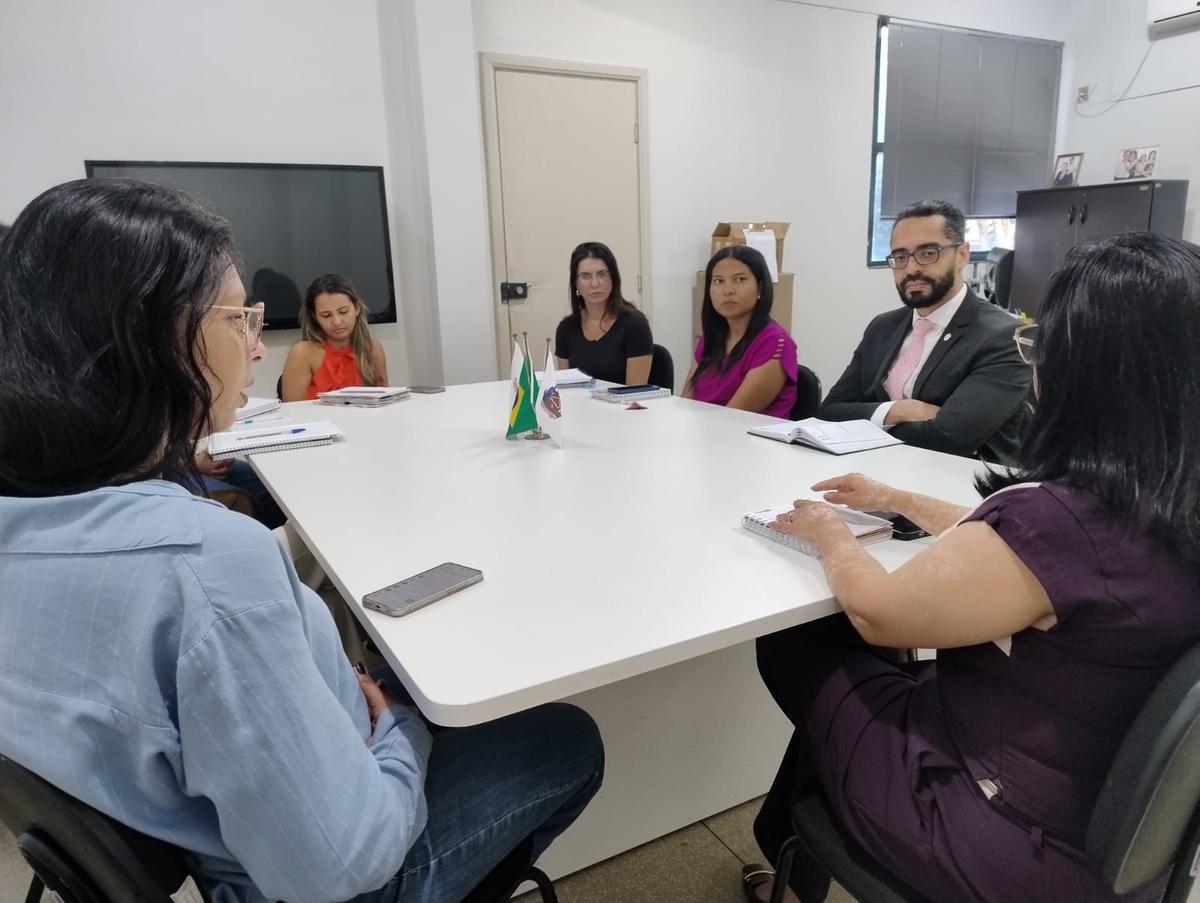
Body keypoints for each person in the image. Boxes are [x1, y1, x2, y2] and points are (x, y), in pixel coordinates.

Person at [0, 178, 604, 903]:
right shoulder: (208, 571)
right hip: (313, 877)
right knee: (567, 737)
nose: (256, 347)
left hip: (204, 834)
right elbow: (342, 864)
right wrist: (401, 728)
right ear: (152, 333)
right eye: (237, 317)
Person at [741, 231, 1200, 903]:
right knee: (881, 672)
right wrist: (898, 499)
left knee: (802, 640)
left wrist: (831, 534)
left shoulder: (1056, 521)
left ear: (1090, 374)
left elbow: (878, 611)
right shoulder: (1158, 503)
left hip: (998, 835)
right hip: (1108, 832)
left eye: (1043, 345)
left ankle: (802, 836)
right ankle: (791, 833)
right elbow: (1045, 561)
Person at [819, 199, 1029, 464]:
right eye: (900, 257)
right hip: (877, 474)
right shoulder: (882, 327)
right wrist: (900, 410)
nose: (912, 268)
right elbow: (829, 412)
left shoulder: (1004, 336)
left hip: (960, 486)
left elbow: (950, 437)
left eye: (928, 253)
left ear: (962, 254)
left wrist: (860, 428)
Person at [682, 245, 799, 417]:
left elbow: (733, 417)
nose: (727, 290)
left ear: (760, 287)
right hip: (707, 435)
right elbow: (686, 403)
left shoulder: (775, 343)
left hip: (746, 439)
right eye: (718, 281)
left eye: (740, 280)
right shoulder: (711, 339)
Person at [554, 241, 654, 385]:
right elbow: (566, 388)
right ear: (576, 284)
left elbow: (634, 392)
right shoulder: (566, 328)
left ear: (613, 278)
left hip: (622, 406)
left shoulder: (635, 325)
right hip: (579, 406)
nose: (595, 283)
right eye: (585, 276)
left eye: (602, 274)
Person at [282, 273, 388, 401]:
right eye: (326, 315)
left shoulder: (373, 348)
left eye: (343, 312)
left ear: (357, 308)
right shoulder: (302, 352)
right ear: (315, 317)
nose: (337, 322)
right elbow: (293, 411)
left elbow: (385, 402)